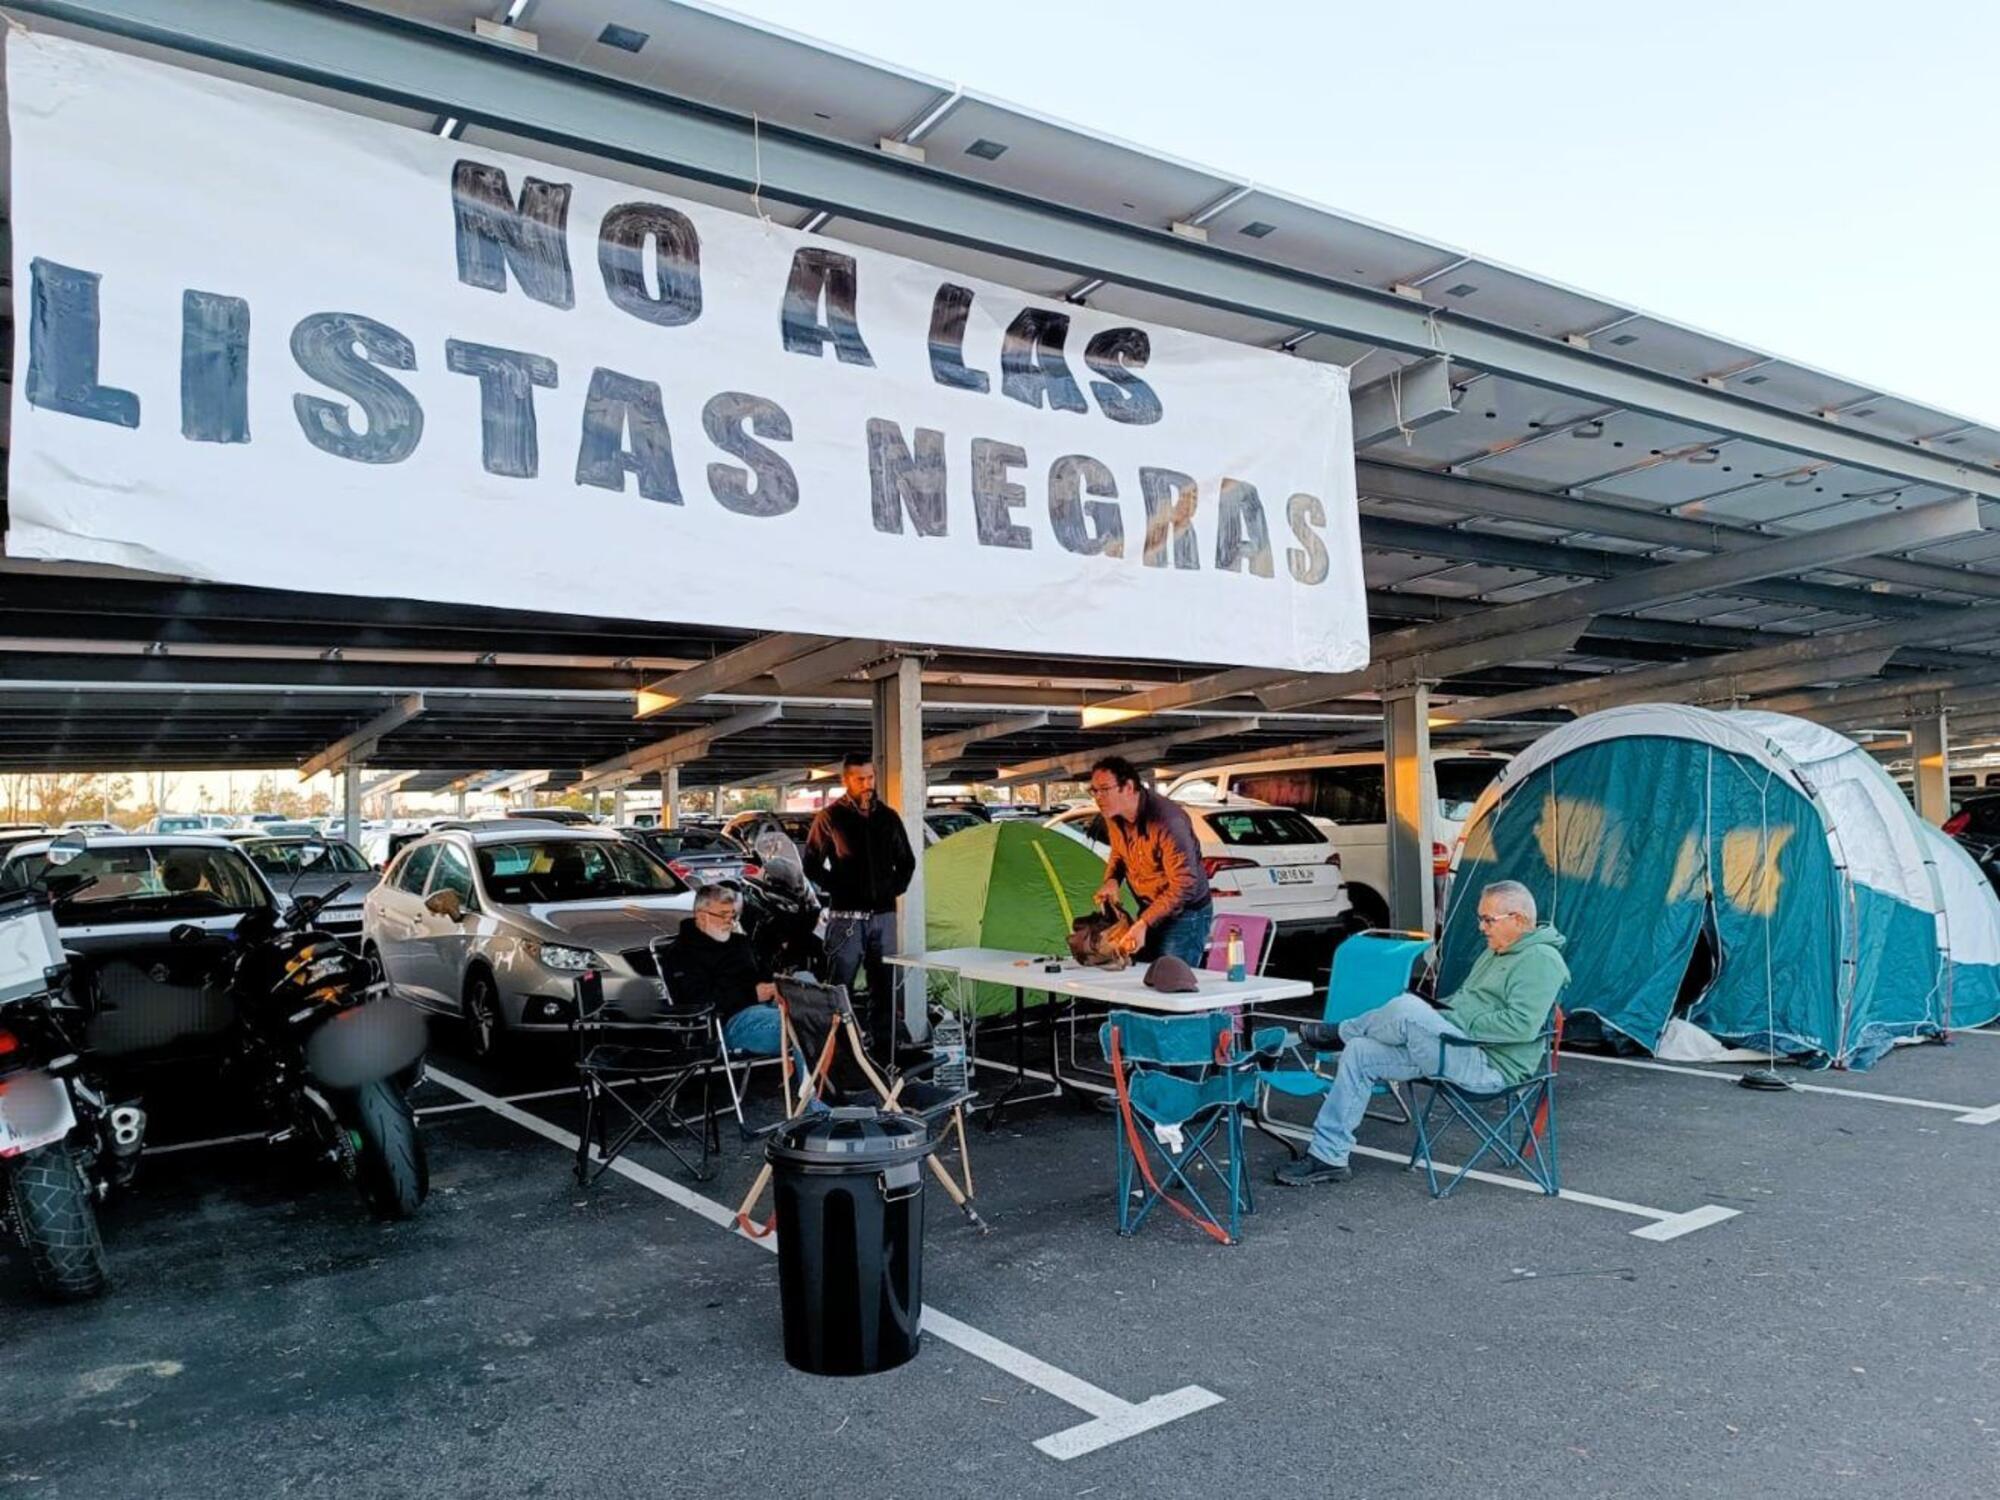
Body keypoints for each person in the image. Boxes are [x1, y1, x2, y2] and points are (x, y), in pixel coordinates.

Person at [1275, 879, 1568, 1187]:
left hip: (1491, 1066)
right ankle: (1328, 1156)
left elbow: (1521, 1025)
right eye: (1480, 918)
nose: (1481, 927)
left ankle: (1340, 1031)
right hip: (1457, 1049)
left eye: (1488, 919)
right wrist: (1442, 1013)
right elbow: (1464, 1003)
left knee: (1406, 1009)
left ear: (1518, 920)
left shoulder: (1542, 961)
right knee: (1360, 1051)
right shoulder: (1495, 952)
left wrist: (1450, 1018)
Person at [803, 753, 916, 1053]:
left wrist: (891, 890)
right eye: (860, 779)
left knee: (885, 983)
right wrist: (839, 888)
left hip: (884, 916)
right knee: (840, 984)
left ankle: (885, 1045)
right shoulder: (829, 817)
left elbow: (907, 861)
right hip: (845, 917)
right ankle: (838, 1049)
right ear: (846, 780)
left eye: (870, 777)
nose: (867, 784)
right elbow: (811, 864)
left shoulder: (888, 817)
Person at [659, 883, 803, 1072]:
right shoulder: (682, 954)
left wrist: (777, 986)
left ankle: (820, 1091)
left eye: (733, 915)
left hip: (766, 1007)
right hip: (728, 1023)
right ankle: (819, 1096)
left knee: (808, 989)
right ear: (702, 916)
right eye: (723, 915)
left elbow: (764, 973)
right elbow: (698, 1002)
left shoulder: (738, 942)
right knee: (806, 1022)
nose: (730, 922)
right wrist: (752, 994)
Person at [1088, 755, 1213, 966]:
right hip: (1150, 909)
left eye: (1104, 789)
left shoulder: (1169, 821)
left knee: (1171, 981)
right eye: (1094, 791)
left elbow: (1184, 885)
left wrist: (1144, 922)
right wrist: (1112, 880)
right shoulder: (1113, 814)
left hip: (1185, 913)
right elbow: (1119, 851)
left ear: (1128, 787)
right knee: (1141, 980)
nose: (1098, 797)